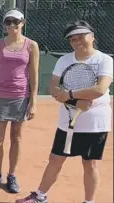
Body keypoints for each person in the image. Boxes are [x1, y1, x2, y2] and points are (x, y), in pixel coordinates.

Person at [16, 20, 113, 203]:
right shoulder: (64, 60)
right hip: (68, 120)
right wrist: (76, 101)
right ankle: (40, 196)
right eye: (72, 39)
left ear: (92, 36)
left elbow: (100, 89)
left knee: (90, 164)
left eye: (81, 36)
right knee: (55, 159)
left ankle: (89, 202)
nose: (76, 41)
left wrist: (68, 94)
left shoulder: (104, 60)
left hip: (95, 122)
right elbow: (53, 88)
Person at [0, 9, 40, 193]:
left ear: (23, 23)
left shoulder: (32, 45)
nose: (12, 25)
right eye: (8, 22)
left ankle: (12, 175)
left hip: (21, 97)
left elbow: (34, 74)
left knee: (17, 138)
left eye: (16, 22)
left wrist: (34, 101)